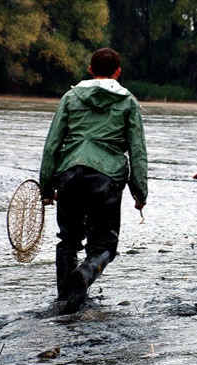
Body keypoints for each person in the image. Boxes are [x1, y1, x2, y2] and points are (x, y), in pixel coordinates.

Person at [39, 48, 148, 314]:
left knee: (68, 239)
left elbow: (52, 144)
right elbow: (138, 150)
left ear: (90, 69)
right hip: (107, 177)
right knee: (105, 246)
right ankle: (86, 272)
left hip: (70, 174)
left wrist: (47, 185)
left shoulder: (70, 97)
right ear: (118, 71)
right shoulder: (128, 102)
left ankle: (64, 299)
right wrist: (140, 191)